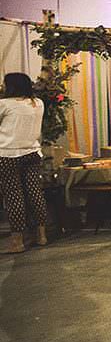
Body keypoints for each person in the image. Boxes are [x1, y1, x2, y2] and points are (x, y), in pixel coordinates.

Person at [0, 73, 48, 254]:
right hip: (33, 153)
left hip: (7, 155)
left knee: (14, 197)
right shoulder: (38, 103)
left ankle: (17, 241)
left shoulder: (4, 105)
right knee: (35, 193)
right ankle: (41, 235)